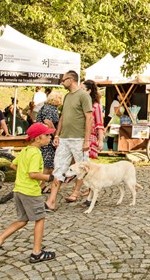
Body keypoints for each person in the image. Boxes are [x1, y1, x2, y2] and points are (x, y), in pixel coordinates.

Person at [0, 122, 57, 264]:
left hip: (19, 190)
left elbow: (13, 164)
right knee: (40, 219)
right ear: (37, 138)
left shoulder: (25, 150)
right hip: (30, 192)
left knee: (22, 220)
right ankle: (36, 252)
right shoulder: (36, 153)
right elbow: (33, 174)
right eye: (47, 135)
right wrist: (50, 178)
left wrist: (23, 174)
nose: (50, 137)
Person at [45, 71, 93, 210]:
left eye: (63, 80)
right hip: (65, 139)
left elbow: (89, 118)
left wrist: (86, 140)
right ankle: (51, 201)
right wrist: (57, 135)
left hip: (78, 138)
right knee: (59, 168)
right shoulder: (66, 97)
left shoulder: (84, 96)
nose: (62, 82)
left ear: (71, 80)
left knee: (85, 169)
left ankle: (91, 195)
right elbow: (62, 117)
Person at [37, 91, 63, 186]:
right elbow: (47, 121)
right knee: (47, 162)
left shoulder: (47, 107)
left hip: (45, 136)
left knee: (49, 162)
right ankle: (42, 184)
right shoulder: (50, 108)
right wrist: (55, 134)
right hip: (46, 136)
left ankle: (46, 183)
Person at [82, 80, 105, 160]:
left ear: (89, 91)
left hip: (90, 136)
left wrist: (101, 140)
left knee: (84, 163)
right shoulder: (80, 103)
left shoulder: (96, 106)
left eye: (82, 89)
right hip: (78, 136)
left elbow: (99, 124)